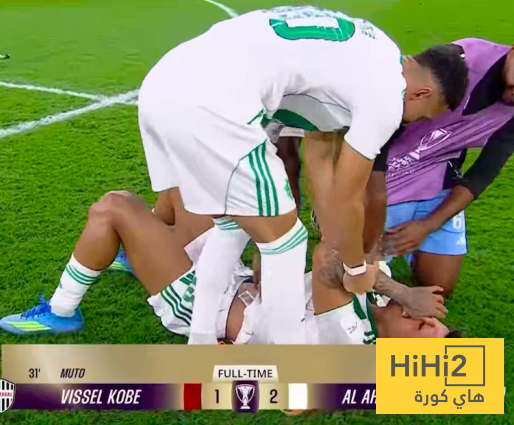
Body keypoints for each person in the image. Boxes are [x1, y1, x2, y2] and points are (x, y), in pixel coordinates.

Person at [138, 5, 469, 344]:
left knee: (231, 227)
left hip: (165, 83)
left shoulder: (376, 48)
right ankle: (289, 363)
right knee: (287, 241)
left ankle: (201, 341)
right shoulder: (387, 99)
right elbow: (348, 196)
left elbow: (319, 155)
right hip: (212, 104)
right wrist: (356, 269)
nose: (409, 122)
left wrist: (349, 252)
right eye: (421, 116)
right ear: (422, 93)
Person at [0, 190, 454, 342]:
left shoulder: (352, 341)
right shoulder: (378, 293)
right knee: (191, 185)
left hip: (206, 306)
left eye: (420, 326)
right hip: (232, 277)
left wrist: (401, 292)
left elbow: (327, 261)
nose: (418, 314)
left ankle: (61, 311)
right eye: (428, 316)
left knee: (113, 207)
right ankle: (134, 254)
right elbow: (361, 251)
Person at [383, 38, 514, 295]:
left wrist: (428, 225)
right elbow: (382, 114)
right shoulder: (461, 59)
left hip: (438, 177)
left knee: (439, 288)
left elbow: (483, 172)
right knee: (355, 273)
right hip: (383, 170)